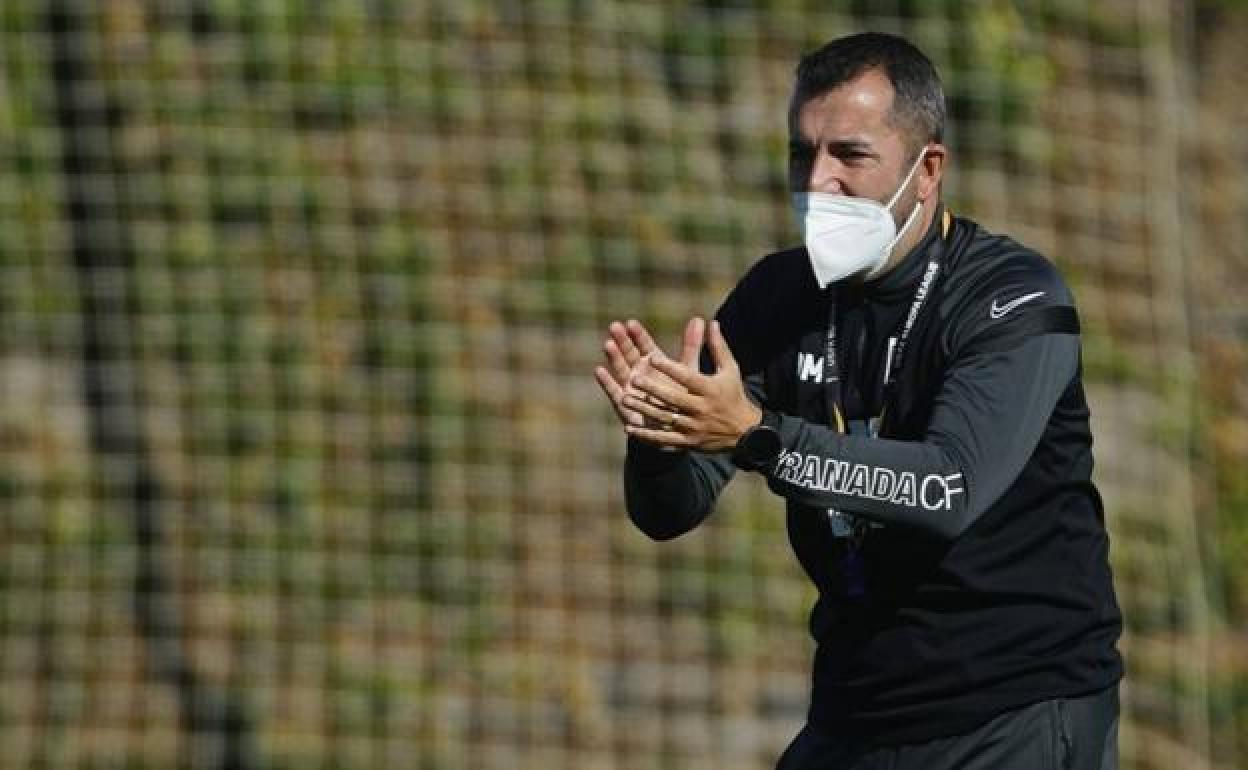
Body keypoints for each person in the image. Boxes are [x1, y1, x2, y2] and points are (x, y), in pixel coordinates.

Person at [593, 32, 1123, 770]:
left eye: (850, 155)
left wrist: (759, 439)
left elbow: (947, 488)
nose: (819, 182)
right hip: (858, 707)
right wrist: (659, 439)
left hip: (1014, 705)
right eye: (800, 155)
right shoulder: (776, 294)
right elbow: (670, 513)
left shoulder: (1011, 295)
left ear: (927, 169)